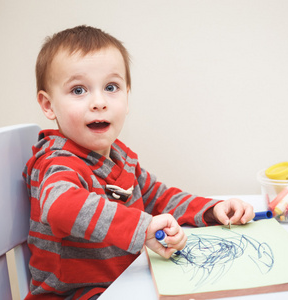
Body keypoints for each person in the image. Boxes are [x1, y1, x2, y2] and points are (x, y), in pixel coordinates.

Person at [23, 25, 254, 299]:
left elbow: (159, 197)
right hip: (75, 293)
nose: (99, 102)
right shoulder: (56, 160)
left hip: (124, 283)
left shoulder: (121, 158)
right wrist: (143, 227)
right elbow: (61, 206)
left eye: (111, 87)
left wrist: (211, 209)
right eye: (78, 90)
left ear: (127, 96)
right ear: (48, 105)